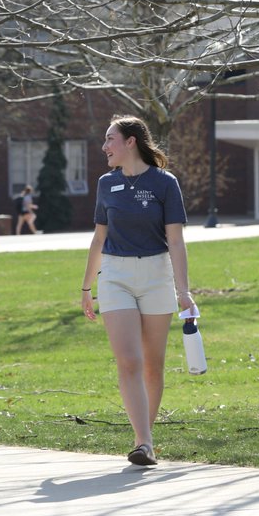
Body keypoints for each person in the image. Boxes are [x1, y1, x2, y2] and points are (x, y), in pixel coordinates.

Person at [80, 115, 193, 467]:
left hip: (156, 274)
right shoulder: (105, 184)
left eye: (110, 138)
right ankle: (143, 442)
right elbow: (99, 237)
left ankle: (145, 436)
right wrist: (86, 286)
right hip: (115, 275)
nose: (104, 147)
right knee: (129, 360)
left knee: (153, 366)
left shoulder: (165, 183)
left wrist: (184, 290)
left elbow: (175, 240)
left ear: (131, 142)